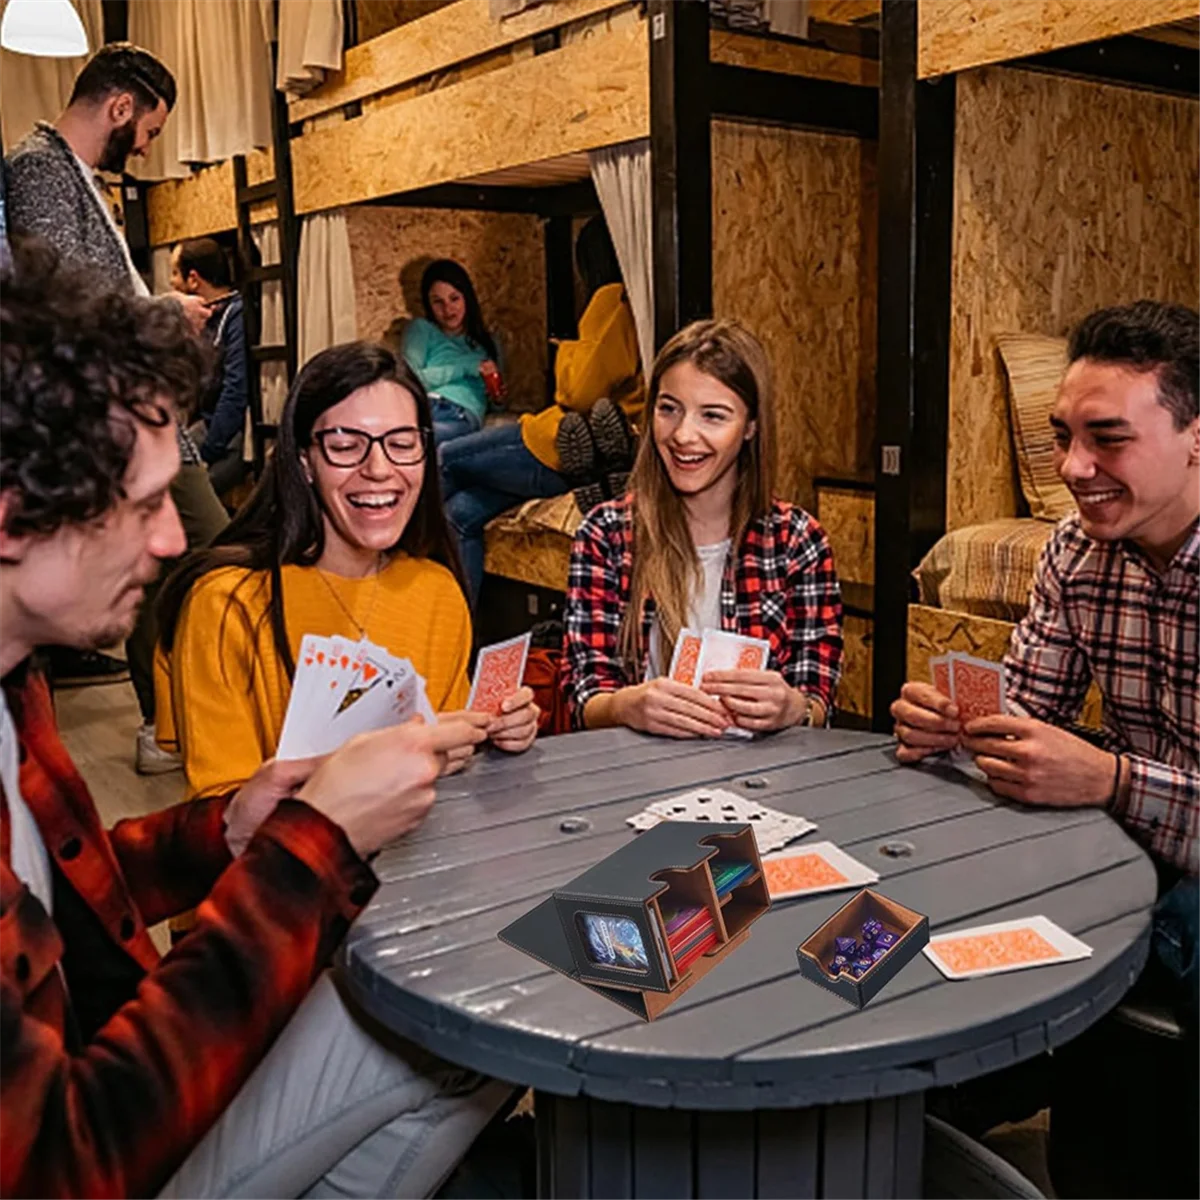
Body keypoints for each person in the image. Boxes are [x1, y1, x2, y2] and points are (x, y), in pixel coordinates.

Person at [0, 246, 510, 1199]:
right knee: (453, 1034)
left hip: (155, 1020)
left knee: (470, 1025)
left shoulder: (17, 691)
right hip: (108, 1140)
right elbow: (61, 1165)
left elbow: (71, 887)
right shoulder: (229, 600)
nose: (169, 539)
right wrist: (308, 840)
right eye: (145, 502)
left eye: (405, 445)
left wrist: (224, 828)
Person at [891, 300, 1200, 1020]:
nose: (1072, 467)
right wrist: (958, 731)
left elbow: (1107, 782)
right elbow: (1023, 715)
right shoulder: (1073, 550)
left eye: (1108, 439)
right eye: (1063, 437)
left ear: (1195, 437)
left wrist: (1113, 780)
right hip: (1130, 838)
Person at [156, 340, 540, 803]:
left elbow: (450, 756)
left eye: (401, 445)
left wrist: (495, 728)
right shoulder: (226, 603)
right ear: (305, 461)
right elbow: (224, 815)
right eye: (344, 446)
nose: (378, 469)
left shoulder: (437, 589)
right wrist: (409, 754)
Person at [3, 41, 228, 768]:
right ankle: (165, 719)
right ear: (121, 105)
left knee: (184, 554)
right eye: (151, 130)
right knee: (204, 550)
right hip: (104, 418)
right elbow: (56, 297)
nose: (147, 144)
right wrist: (162, 311)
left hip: (130, 413)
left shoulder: (74, 176)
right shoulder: (38, 168)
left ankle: (166, 719)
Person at [563, 318, 844, 737]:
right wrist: (628, 705)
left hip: (763, 780)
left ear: (750, 427)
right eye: (668, 409)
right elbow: (585, 697)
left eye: (713, 416)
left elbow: (818, 698)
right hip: (633, 776)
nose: (683, 435)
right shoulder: (605, 533)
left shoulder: (797, 540)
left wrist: (794, 709)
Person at [440, 215, 643, 605]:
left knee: (444, 458)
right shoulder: (646, 305)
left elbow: (579, 390)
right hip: (591, 446)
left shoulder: (613, 299)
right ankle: (461, 632)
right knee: (459, 514)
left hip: (557, 442)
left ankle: (394, 572)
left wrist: (565, 349)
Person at [171, 236, 249, 496]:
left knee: (185, 495)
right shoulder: (200, 320)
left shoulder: (234, 314)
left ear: (193, 279)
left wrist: (206, 453)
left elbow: (236, 389)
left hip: (231, 433)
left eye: (174, 273)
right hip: (205, 425)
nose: (171, 283)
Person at [401, 259, 504, 444]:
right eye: (438, 302)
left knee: (414, 442)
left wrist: (495, 393)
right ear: (428, 304)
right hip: (423, 407)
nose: (447, 309)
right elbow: (410, 381)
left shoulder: (488, 342)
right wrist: (467, 367)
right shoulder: (421, 329)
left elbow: (497, 405)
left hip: (461, 413)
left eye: (454, 298)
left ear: (467, 297)